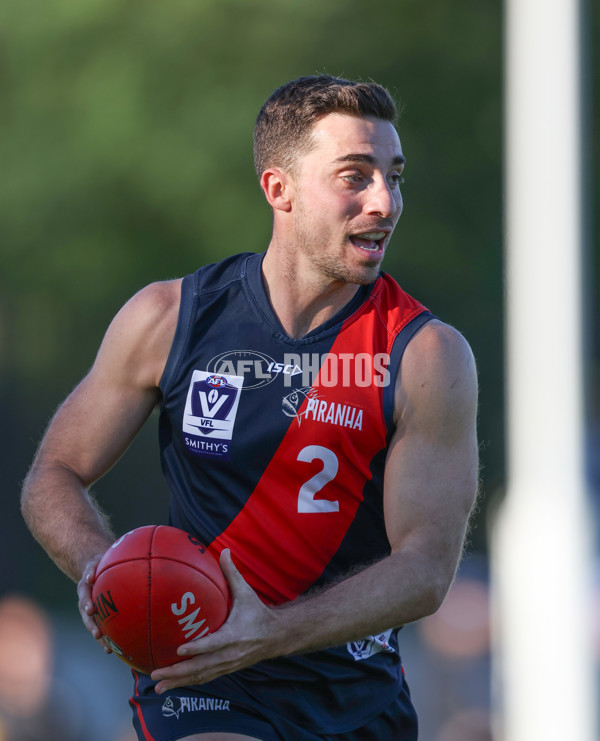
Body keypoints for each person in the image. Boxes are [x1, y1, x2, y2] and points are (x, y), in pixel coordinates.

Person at [21, 75, 479, 741]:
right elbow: (54, 473)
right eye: (355, 176)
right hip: (202, 675)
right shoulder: (170, 318)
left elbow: (427, 569)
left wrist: (272, 633)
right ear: (279, 189)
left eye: (394, 176)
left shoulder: (426, 354)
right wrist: (103, 569)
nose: (385, 201)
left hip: (357, 698)